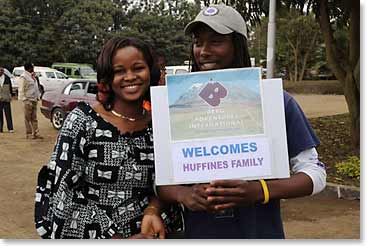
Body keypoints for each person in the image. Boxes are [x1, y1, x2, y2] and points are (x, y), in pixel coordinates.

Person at [157, 4, 327, 239]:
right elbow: (160, 181)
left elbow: (315, 174)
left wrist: (260, 190)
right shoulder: (173, 105)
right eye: (198, 42)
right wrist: (183, 195)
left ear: (238, 45)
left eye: (216, 41)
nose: (203, 51)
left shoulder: (276, 101)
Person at [34, 37, 182, 239]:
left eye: (138, 68)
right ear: (107, 77)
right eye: (119, 71)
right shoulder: (82, 121)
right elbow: (63, 194)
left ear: (151, 71)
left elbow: (170, 181)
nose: (130, 77)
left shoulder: (160, 123)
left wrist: (153, 210)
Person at [18, 62, 43, 139]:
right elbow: (21, 89)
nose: (33, 68)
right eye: (32, 67)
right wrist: (25, 100)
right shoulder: (24, 77)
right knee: (27, 118)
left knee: (34, 118)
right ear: (29, 68)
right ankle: (28, 133)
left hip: (34, 100)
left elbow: (36, 88)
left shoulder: (33, 76)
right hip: (28, 100)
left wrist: (38, 97)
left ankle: (36, 133)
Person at [0, 67, 14, 133]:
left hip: (6, 98)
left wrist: (11, 95)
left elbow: (10, 87)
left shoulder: (7, 78)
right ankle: (0, 128)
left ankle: (10, 128)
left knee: (8, 114)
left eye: (1, 70)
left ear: (3, 71)